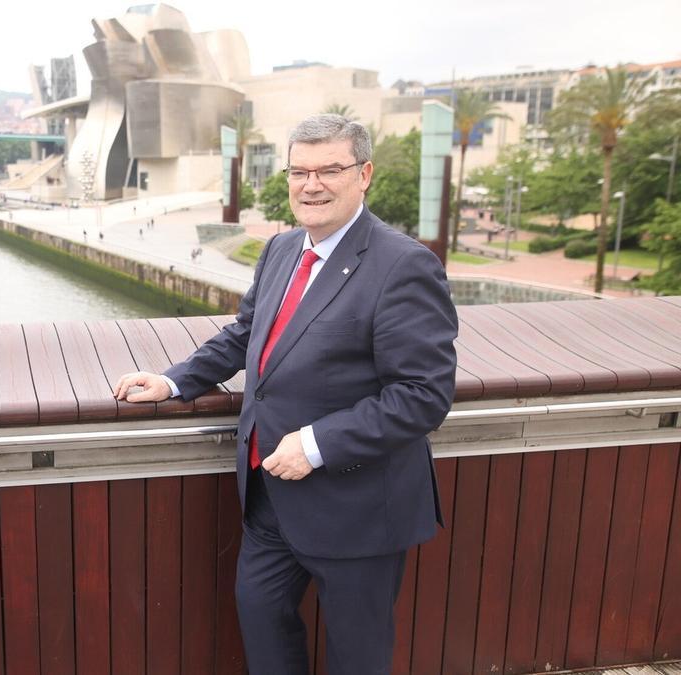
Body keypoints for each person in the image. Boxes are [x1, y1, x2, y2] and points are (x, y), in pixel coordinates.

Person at [114, 114, 457, 674]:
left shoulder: (403, 266)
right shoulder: (281, 250)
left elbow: (422, 394)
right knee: (262, 624)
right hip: (270, 497)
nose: (311, 184)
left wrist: (318, 444)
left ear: (364, 174)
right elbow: (249, 334)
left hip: (358, 506)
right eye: (299, 171)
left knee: (357, 656)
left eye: (330, 170)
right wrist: (176, 381)